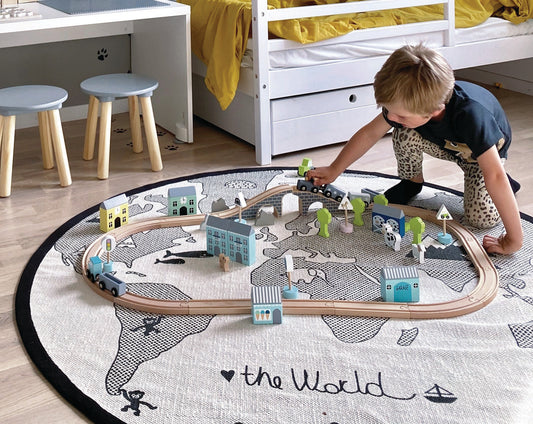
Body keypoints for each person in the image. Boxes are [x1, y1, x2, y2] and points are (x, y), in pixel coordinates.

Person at [306, 44, 523, 255]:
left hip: (479, 155)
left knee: (481, 220)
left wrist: (514, 239)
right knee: (403, 132)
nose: (391, 117)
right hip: (447, 144)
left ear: (434, 110)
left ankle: (508, 184)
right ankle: (411, 182)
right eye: (388, 110)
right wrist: (334, 169)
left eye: (401, 115)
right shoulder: (411, 107)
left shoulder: (471, 116)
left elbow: (494, 176)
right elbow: (369, 133)